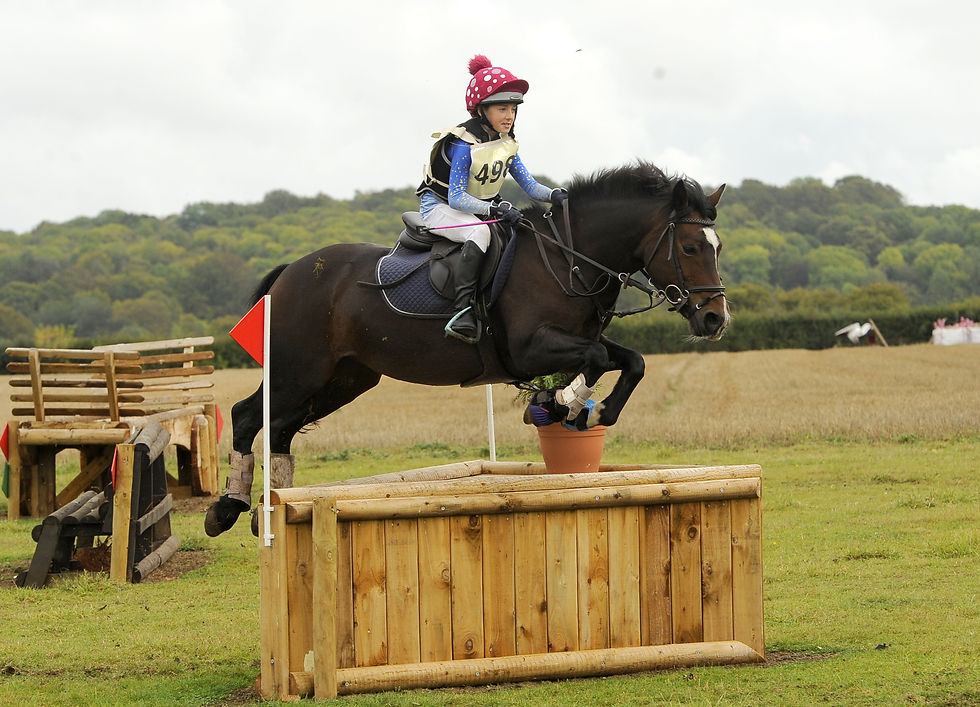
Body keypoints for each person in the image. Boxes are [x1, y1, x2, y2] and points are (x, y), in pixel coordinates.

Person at [417, 54, 568, 343]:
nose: (509, 115)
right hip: (440, 209)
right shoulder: (464, 144)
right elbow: (458, 198)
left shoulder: (505, 142)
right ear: (482, 110)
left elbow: (531, 186)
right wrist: (495, 207)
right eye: (502, 109)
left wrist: (555, 195)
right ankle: (462, 312)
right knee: (481, 233)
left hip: (476, 208)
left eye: (512, 109)